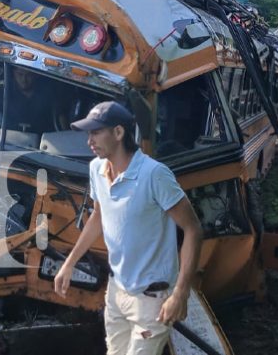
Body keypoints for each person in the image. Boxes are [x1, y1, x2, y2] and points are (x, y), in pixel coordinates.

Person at [54, 101, 202, 355]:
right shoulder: (96, 168)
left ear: (119, 133)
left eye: (96, 132)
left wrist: (180, 293)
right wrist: (69, 263)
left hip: (152, 299)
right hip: (116, 291)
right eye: (88, 133)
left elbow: (193, 230)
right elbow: (99, 216)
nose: (89, 140)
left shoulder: (154, 175)